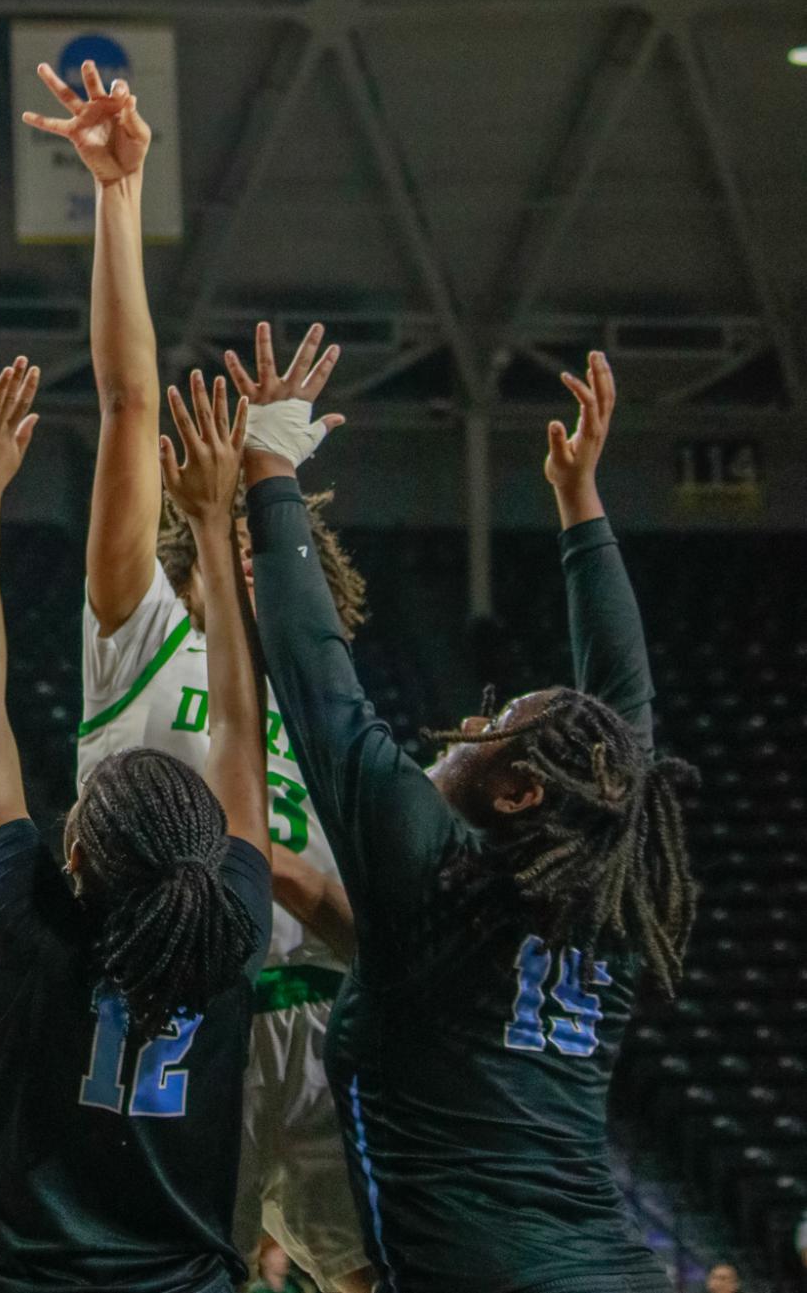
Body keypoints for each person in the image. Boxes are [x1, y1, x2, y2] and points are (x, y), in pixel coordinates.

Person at [239, 333, 698, 1293]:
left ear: (517, 791)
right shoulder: (603, 904)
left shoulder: (428, 867)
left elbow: (324, 689)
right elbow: (630, 732)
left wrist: (270, 465)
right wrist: (581, 508)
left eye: (492, 725)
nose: (465, 728)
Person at [23, 61, 373, 1293]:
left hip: (324, 1020)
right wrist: (120, 199)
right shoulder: (141, 625)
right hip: (172, 1010)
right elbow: (127, 405)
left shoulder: (321, 689)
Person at [0, 356, 273, 1293]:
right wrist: (214, 528)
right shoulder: (233, 933)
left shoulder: (22, 918)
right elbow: (244, 734)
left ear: (76, 851)